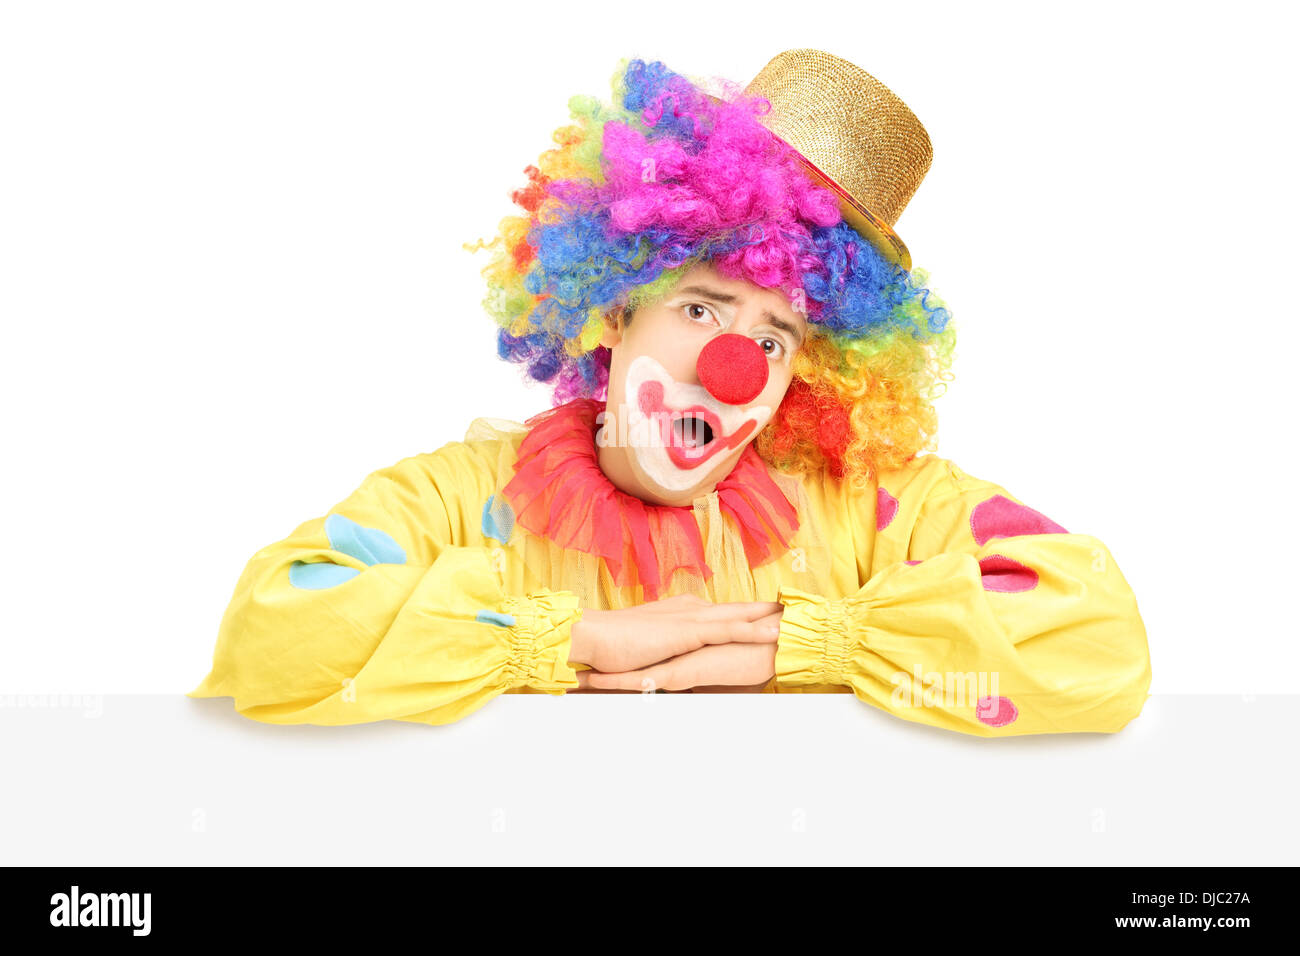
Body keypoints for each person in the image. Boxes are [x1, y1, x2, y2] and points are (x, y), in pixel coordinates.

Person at [188, 50, 1151, 736]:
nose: (737, 364)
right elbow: (274, 628)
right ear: (613, 313)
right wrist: (560, 643)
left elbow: (1097, 634)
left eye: (775, 334)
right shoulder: (459, 498)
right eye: (700, 309)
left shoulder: (868, 509)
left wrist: (824, 645)